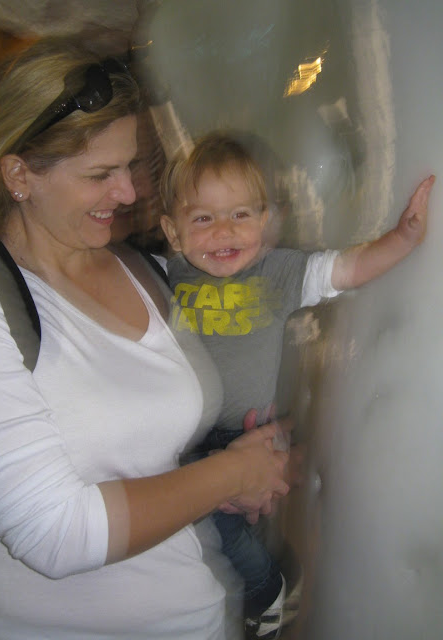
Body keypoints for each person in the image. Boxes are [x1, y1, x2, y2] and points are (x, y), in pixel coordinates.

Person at [0, 39, 290, 640]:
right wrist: (230, 475)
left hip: (200, 618)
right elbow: (54, 533)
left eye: (130, 166)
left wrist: (241, 467)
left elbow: (155, 456)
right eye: (99, 175)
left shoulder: (154, 272)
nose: (129, 193)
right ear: (18, 175)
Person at [159, 131, 435, 639]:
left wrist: (402, 239)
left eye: (241, 215)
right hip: (184, 435)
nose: (224, 231)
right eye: (203, 219)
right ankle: (265, 573)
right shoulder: (165, 277)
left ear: (265, 221)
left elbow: (346, 270)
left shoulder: (278, 272)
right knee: (191, 522)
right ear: (173, 233)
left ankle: (267, 586)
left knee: (209, 522)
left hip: (247, 434)